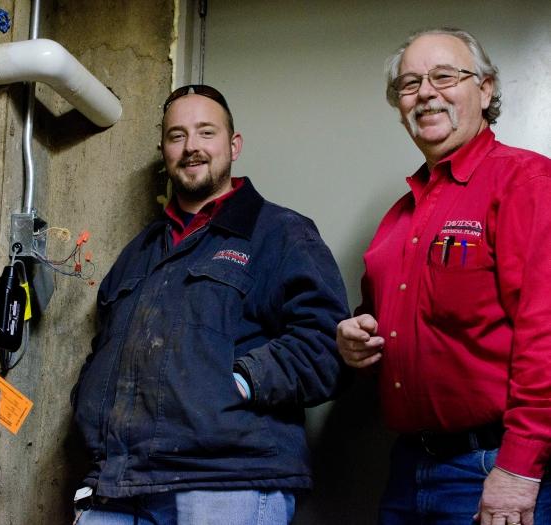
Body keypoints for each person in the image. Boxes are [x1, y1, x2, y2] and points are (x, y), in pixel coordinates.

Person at [71, 84, 349, 524]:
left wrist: (238, 382)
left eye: (206, 133)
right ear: (163, 149)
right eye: (177, 135)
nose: (191, 147)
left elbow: (324, 346)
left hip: (227, 483)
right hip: (119, 485)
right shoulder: (138, 252)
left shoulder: (280, 233)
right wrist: (89, 407)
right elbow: (102, 350)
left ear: (233, 145)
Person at [337, 28, 551, 525]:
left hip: (492, 468)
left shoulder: (526, 183)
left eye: (445, 76)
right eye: (410, 83)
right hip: (410, 466)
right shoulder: (398, 219)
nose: (426, 92)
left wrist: (518, 470)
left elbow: (546, 335)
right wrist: (356, 340)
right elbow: (392, 329)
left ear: (487, 89)